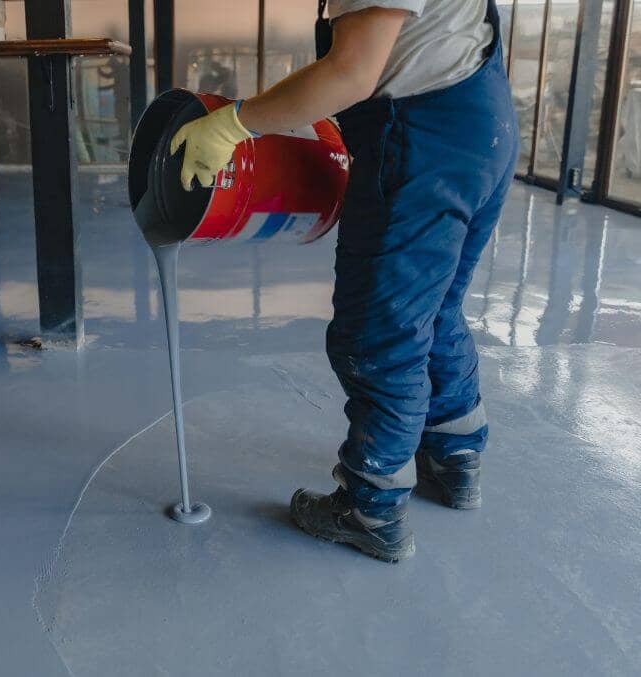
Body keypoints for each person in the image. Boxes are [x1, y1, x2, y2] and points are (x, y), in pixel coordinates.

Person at [171, 0, 518, 561]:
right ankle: (455, 459)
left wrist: (234, 123)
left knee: (380, 334)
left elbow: (352, 71)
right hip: (483, 127)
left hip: (420, 145)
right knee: (436, 309)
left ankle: (370, 509)